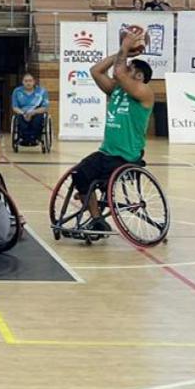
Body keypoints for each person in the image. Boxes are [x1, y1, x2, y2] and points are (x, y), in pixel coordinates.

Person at [75, 28, 155, 234]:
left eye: (129, 66)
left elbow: (119, 72)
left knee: (91, 180)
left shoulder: (144, 92)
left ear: (138, 75)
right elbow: (95, 71)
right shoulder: (116, 90)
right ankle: (97, 219)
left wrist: (125, 46)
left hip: (125, 157)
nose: (123, 67)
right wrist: (124, 54)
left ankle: (91, 199)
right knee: (80, 175)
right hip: (106, 152)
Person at [10, 72, 49, 146]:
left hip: (36, 111)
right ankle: (24, 138)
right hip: (22, 112)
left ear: (34, 82)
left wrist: (33, 112)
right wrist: (24, 113)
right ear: (22, 82)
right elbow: (15, 107)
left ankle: (34, 138)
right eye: (26, 81)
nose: (28, 83)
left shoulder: (42, 91)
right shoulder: (17, 91)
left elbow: (45, 107)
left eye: (30, 81)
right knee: (20, 119)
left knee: (38, 119)